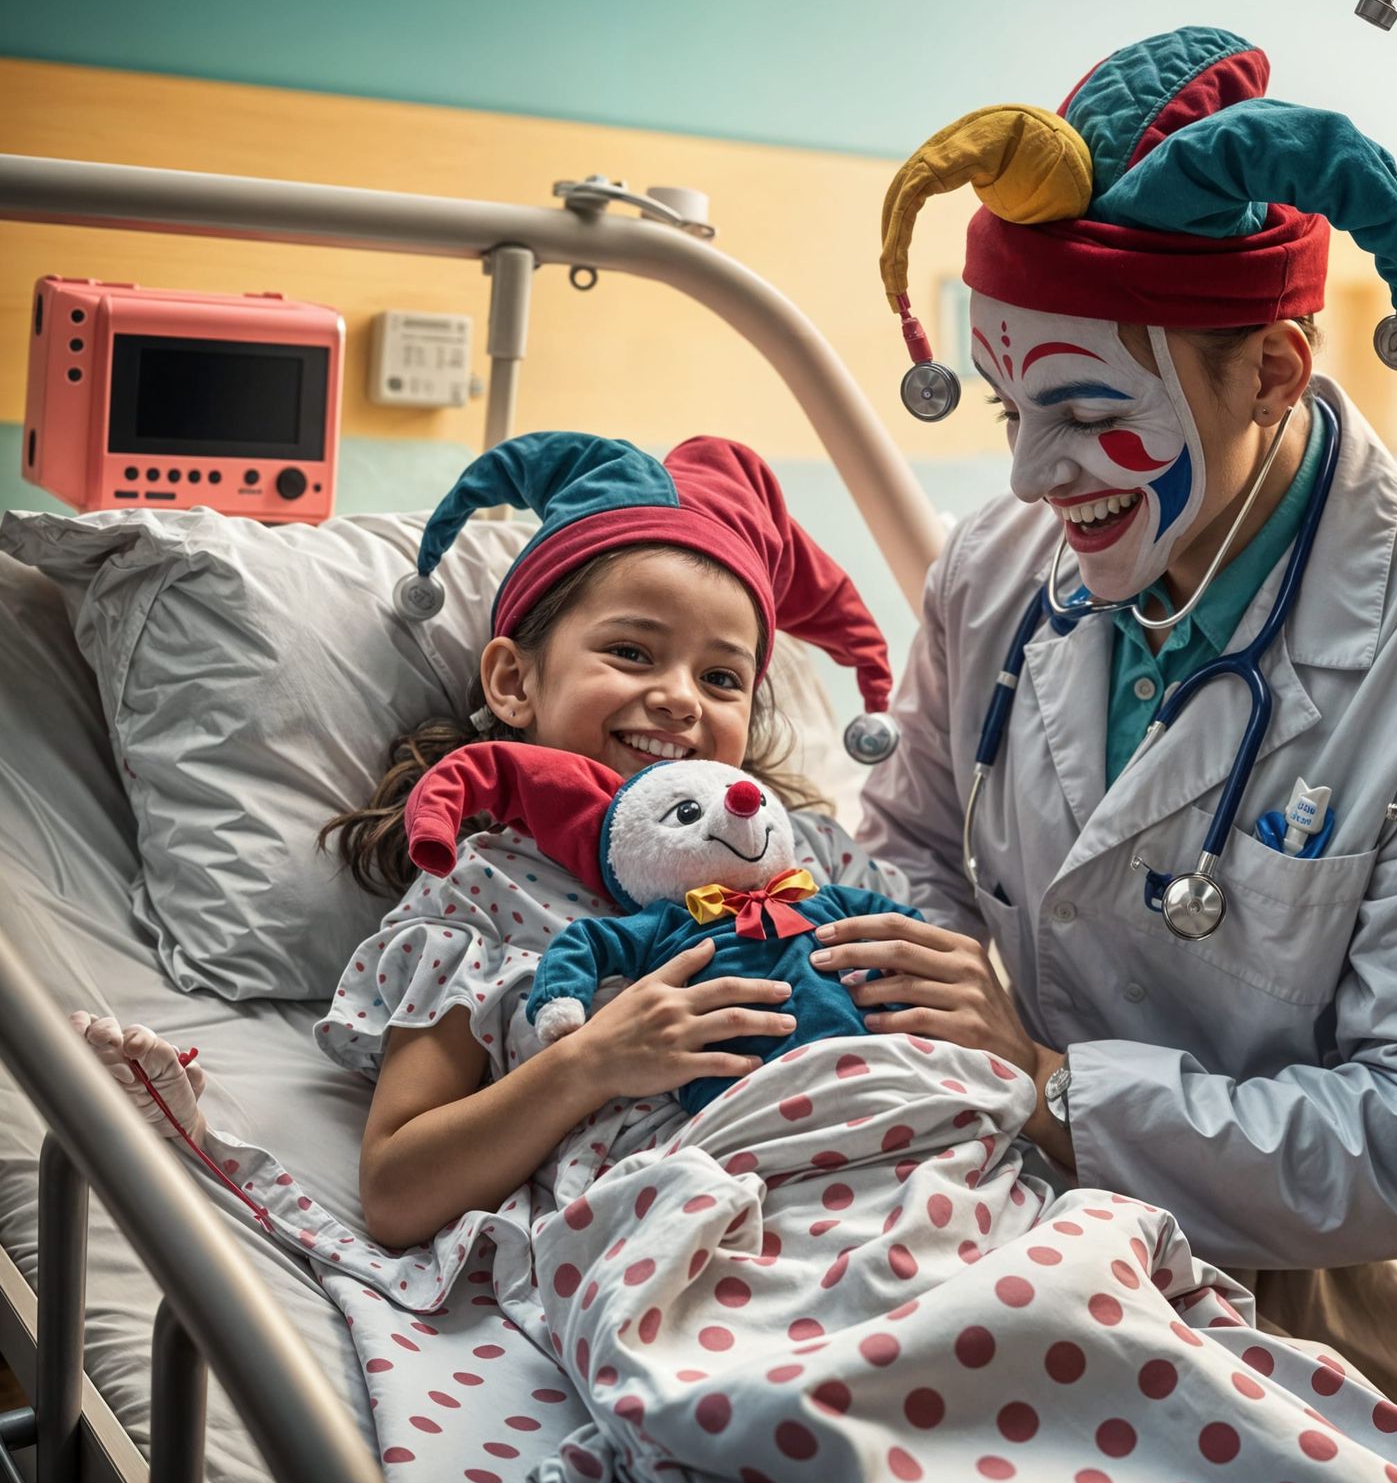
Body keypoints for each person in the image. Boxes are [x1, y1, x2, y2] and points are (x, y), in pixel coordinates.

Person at [823, 25, 1397, 1483]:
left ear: (1272, 373)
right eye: (1012, 412)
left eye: (1092, 414)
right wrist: (943, 1013)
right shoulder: (1000, 571)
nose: (1032, 479)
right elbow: (915, 844)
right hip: (1002, 1247)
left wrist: (1059, 1089)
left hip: (1319, 1343)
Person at [73, 429, 913, 1251]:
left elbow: (918, 1012)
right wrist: (591, 1062)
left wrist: (985, 1031)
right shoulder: (484, 899)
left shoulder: (808, 858)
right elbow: (399, 1192)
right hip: (697, 1229)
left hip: (906, 1179)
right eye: (630, 651)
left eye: (721, 677)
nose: (680, 699)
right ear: (513, 681)